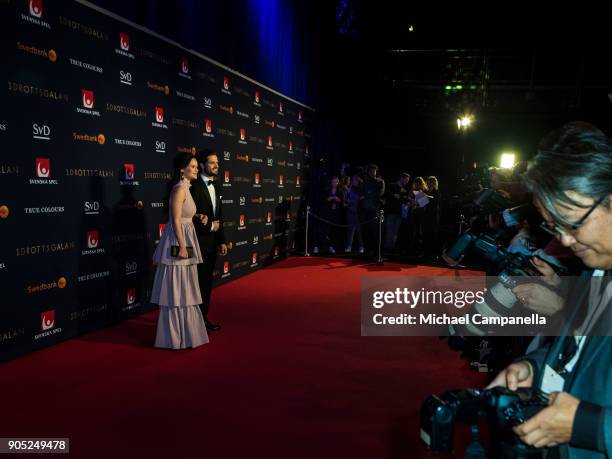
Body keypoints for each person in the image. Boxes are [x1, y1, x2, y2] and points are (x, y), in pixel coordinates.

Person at [486, 121, 612, 457]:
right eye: (554, 227)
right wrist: (533, 368)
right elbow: (577, 352)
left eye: (572, 223)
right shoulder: (594, 271)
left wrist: (587, 425)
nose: (566, 241)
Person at [151, 153, 209, 349]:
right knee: (177, 289)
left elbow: (183, 216)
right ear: (181, 170)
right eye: (192, 167)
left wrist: (197, 216)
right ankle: (174, 338)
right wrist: (183, 246)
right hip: (178, 243)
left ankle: (186, 334)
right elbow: (175, 220)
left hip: (185, 238)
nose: (196, 169)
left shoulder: (186, 189)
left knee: (186, 288)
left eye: (196, 167)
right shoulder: (179, 189)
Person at [191, 149, 228, 332]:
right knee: (195, 284)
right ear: (203, 165)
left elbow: (219, 216)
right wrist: (208, 227)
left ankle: (203, 318)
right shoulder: (193, 186)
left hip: (212, 244)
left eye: (217, 163)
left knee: (206, 284)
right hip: (197, 244)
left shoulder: (217, 186)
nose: (216, 166)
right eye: (212, 163)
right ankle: (194, 321)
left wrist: (222, 240)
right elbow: (188, 218)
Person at [384, 172, 410, 253]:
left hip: (399, 213)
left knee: (395, 232)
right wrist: (396, 196)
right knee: (389, 231)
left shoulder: (405, 190)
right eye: (406, 179)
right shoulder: (391, 185)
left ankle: (392, 249)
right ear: (401, 178)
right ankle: (387, 249)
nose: (407, 182)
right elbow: (387, 196)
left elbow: (404, 200)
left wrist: (401, 197)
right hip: (391, 212)